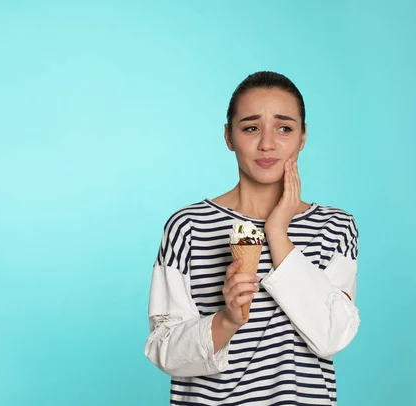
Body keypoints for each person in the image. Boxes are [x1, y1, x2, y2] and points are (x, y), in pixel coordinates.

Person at [145, 71, 360, 405]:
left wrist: (277, 231)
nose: (267, 143)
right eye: (250, 127)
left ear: (303, 137)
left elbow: (332, 335)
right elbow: (163, 349)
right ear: (229, 136)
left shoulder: (335, 227)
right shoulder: (187, 226)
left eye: (284, 127)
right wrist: (226, 320)